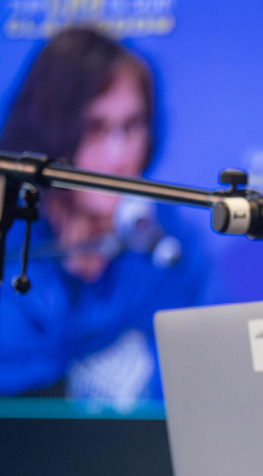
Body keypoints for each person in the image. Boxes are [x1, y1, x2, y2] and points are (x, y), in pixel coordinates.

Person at [0, 26, 207, 408]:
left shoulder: (174, 245)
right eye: (94, 128)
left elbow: (212, 378)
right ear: (48, 130)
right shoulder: (10, 234)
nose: (119, 154)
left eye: (132, 126)